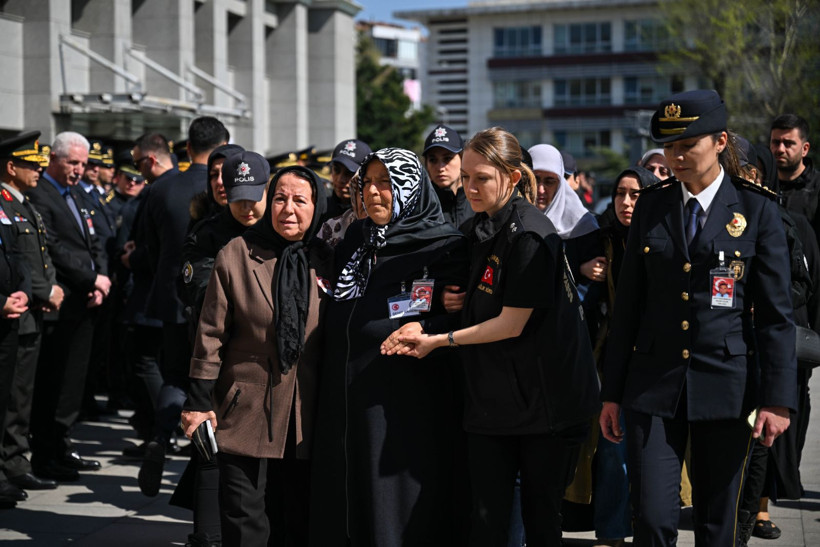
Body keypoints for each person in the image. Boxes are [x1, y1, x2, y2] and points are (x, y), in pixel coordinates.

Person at [382, 129, 600, 546]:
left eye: (481, 178)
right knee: (485, 519)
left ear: (513, 178)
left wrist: (437, 341)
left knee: (539, 520)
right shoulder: (478, 226)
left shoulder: (531, 234)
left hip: (548, 407)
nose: (470, 187)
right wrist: (426, 323)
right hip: (495, 400)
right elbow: (469, 300)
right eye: (465, 178)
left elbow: (510, 324)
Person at [599, 89, 797, 546]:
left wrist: (777, 398)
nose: (677, 156)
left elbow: (775, 315)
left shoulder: (756, 209)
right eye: (670, 147)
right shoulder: (652, 205)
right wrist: (612, 393)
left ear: (721, 141)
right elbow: (628, 305)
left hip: (726, 384)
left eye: (688, 145)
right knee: (649, 517)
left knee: (717, 522)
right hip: (652, 384)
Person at [310, 148, 469, 546]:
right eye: (369, 183)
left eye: (388, 183)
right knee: (346, 504)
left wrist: (432, 323)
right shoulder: (356, 240)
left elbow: (461, 321)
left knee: (393, 509)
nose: (375, 192)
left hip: (404, 406)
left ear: (411, 188)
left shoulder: (444, 247)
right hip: (345, 400)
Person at [181, 162, 332, 546]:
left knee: (295, 516)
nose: (289, 209)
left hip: (306, 411)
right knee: (243, 515)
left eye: (301, 200)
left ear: (317, 206)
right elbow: (210, 333)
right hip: (243, 404)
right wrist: (198, 402)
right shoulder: (237, 254)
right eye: (280, 198)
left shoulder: (329, 259)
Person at [565, 166, 660, 547]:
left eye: (636, 195)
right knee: (612, 449)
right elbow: (558, 267)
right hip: (611, 362)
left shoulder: (664, 239)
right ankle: (612, 533)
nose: (625, 203)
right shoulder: (600, 239)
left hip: (657, 362)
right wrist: (581, 267)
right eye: (620, 193)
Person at [138, 117, 229, 497]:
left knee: (175, 374)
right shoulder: (231, 190)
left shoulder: (161, 188)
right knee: (209, 387)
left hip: (176, 300)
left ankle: (160, 437)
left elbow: (147, 248)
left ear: (186, 149)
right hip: (214, 309)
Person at [27, 131, 111, 482]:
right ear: (53, 159)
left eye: (82, 163)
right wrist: (89, 280)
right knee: (53, 381)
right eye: (72, 163)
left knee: (73, 382)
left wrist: (101, 278)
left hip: (85, 301)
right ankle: (45, 452)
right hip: (61, 302)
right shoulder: (39, 194)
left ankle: (62, 444)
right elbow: (55, 247)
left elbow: (96, 240)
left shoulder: (77, 194)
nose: (79, 170)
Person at [0, 132, 63, 494]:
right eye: (31, 165)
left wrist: (51, 287)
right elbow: (20, 261)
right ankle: (7, 465)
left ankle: (15, 462)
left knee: (22, 395)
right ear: (11, 167)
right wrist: (42, 290)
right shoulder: (5, 203)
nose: (39, 170)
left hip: (31, 309)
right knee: (11, 395)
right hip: (17, 309)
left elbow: (41, 254)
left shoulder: (23, 203)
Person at [770, 114, 820, 236]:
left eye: (788, 143)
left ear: (805, 149)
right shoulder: (761, 185)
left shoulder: (816, 188)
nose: (780, 149)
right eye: (776, 142)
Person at [423, 124, 474, 228]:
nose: (440, 168)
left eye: (447, 159)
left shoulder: (479, 200)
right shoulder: (421, 207)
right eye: (433, 160)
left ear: (462, 159)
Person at [187, 143, 245, 231]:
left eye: (227, 173)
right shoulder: (200, 228)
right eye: (214, 175)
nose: (219, 181)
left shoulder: (262, 225)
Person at [323, 138, 371, 222]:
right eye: (336, 170)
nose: (340, 179)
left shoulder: (374, 215)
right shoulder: (320, 210)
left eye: (349, 173)